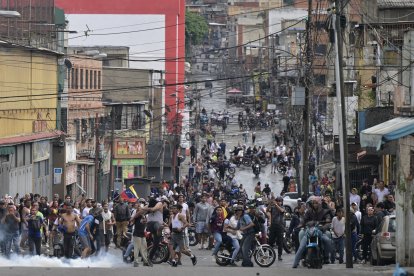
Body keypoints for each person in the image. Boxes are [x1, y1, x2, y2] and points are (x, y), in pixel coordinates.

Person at [292, 197, 332, 268]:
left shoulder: (325, 211)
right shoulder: (309, 211)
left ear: (320, 204)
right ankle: (296, 263)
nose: (315, 204)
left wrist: (324, 226)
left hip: (320, 230)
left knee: (327, 241)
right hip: (309, 231)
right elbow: (304, 219)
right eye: (313, 203)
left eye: (316, 203)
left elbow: (328, 221)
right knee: (301, 247)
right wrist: (300, 224)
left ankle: (326, 257)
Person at [141, 196, 164, 261]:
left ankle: (149, 259)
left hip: (157, 227)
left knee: (156, 245)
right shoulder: (149, 205)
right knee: (156, 224)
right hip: (150, 225)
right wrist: (144, 217)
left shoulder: (159, 203)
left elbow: (153, 209)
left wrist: (146, 209)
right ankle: (158, 230)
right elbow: (142, 209)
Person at [267, 197, 285, 261]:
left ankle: (279, 255)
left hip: (280, 226)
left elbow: (282, 211)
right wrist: (270, 203)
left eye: (280, 201)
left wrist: (276, 204)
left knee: (280, 242)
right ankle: (270, 254)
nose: (279, 202)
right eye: (278, 201)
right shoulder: (273, 208)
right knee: (270, 241)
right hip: (273, 226)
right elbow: (267, 210)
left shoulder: (283, 207)